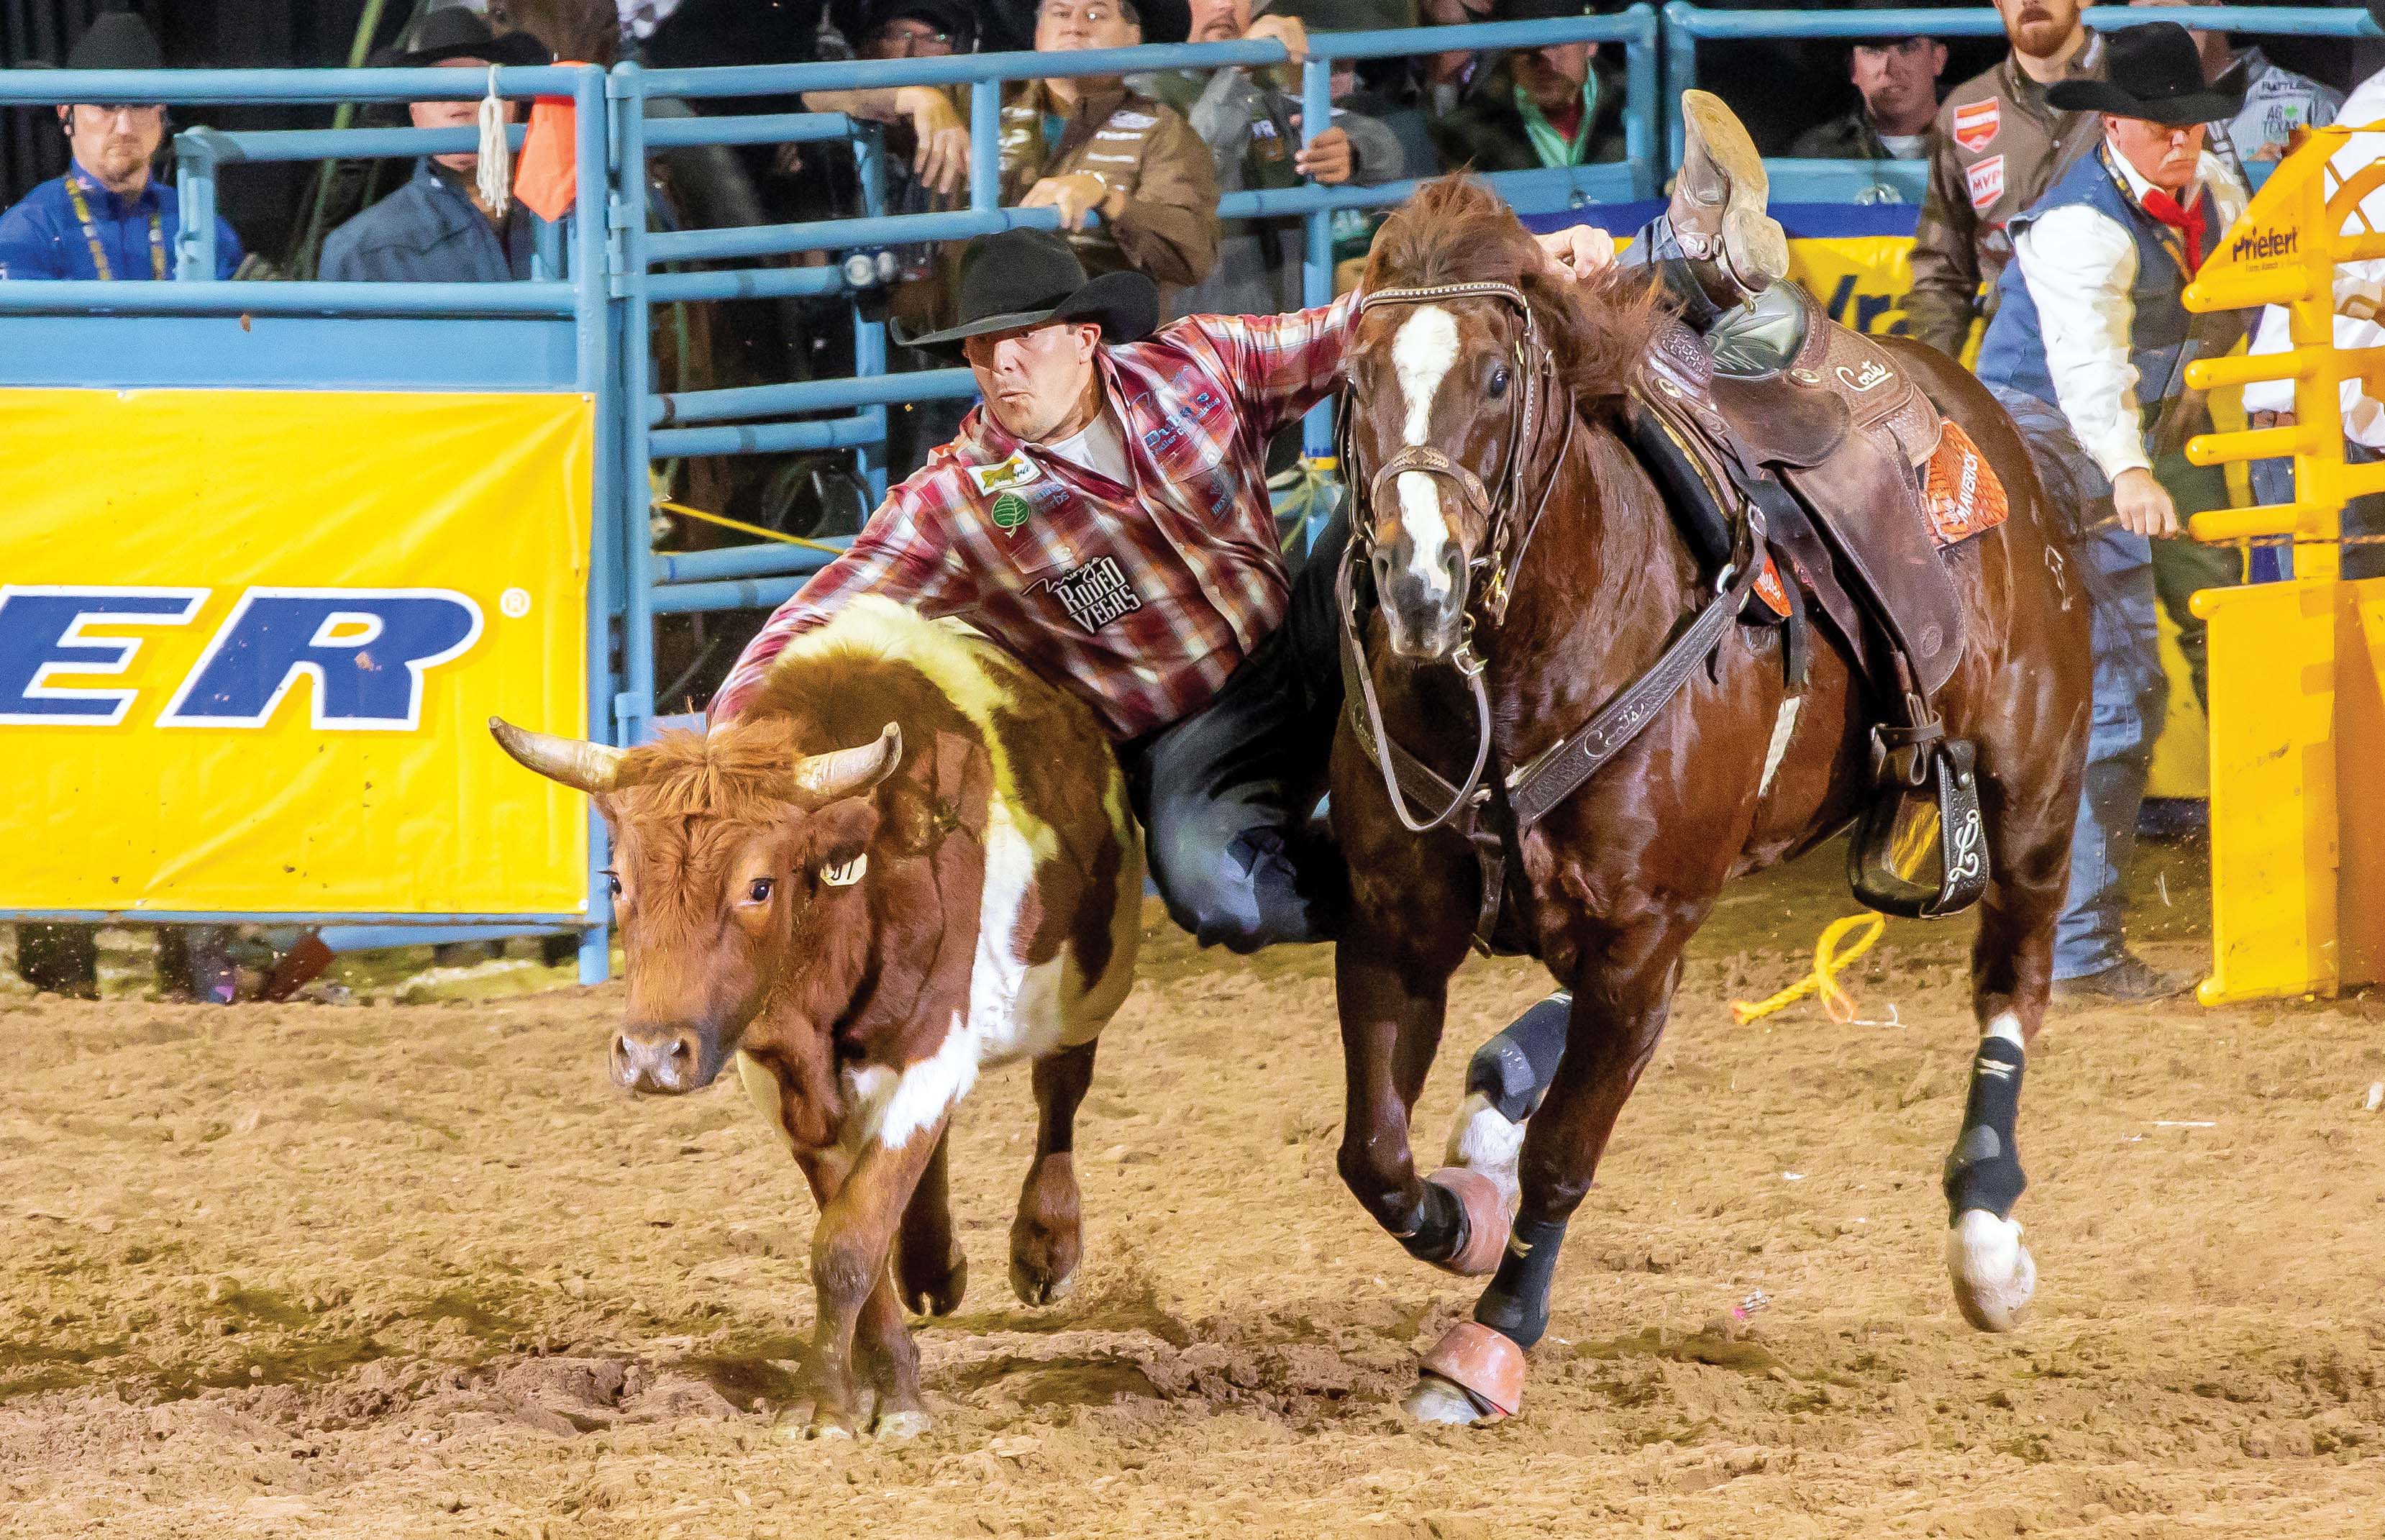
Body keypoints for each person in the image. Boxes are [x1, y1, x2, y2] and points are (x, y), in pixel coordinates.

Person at [703, 98, 1787, 1128]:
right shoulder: (958, 501)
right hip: (1189, 724)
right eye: (983, 349)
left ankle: (1680, 256)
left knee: (1444, 517)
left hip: (1303, 619)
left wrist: (1546, 260)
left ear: (1088, 338)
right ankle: (1423, 896)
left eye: (1023, 338)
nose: (999, 364)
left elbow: (1387, 324)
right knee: (1217, 890)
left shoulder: (1198, 368)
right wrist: (719, 744)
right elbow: (822, 604)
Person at [1971, 21, 2249, 1003]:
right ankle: (2081, 946)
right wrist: (2131, 472)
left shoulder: (2207, 194)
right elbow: (2089, 372)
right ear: (2115, 130)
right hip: (2051, 446)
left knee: (2191, 653)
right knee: (2120, 687)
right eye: (2160, 126)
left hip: (2136, 436)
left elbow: (2256, 281)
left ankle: (2080, 924)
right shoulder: (2083, 224)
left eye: (2191, 125)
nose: (2181, 141)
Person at [1141, 0, 1404, 319]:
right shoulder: (1146, 84)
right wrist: (1239, 69)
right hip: (1200, 320)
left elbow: (1387, 149)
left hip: (1284, 306)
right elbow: (1196, 163)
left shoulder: (1267, 82)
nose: (1227, 5)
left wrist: (1352, 150)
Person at [2241, 0, 2385, 583]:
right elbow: (2341, 278)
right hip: (2317, 424)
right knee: (2321, 646)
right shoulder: (2376, 111)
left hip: (2343, 416)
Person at [1905, 0, 2104, 363]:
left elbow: (2223, 234)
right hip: (2016, 367)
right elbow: (1942, 270)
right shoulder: (1963, 110)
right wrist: (1932, 380)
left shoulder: (2146, 89)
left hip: (2134, 362)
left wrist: (2191, 381)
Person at [996, 0, 1220, 308]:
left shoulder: (1162, 129)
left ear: (1133, 36)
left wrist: (1106, 197)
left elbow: (1192, 254)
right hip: (976, 332)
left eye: (1094, 15)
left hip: (1099, 335)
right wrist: (919, 98)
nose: (1074, 26)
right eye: (1060, 13)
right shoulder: (982, 102)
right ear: (1039, 30)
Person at [0, 8, 245, 282]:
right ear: (65, 111)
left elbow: (250, 321)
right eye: (105, 105)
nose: (125, 127)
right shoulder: (29, 232)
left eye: (140, 104)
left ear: (161, 112)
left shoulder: (201, 225)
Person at [319, 12, 555, 284]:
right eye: (436, 85)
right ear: (415, 113)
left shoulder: (571, 221)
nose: (456, 101)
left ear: (511, 104)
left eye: (478, 79)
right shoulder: (362, 253)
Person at [2128, 0, 2340, 168]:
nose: (2148, 38)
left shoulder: (2312, 106)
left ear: (2215, 8)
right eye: (2132, 25)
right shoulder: (2128, 117)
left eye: (2162, 15)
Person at [1428, 0, 1627, 173]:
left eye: (1557, 41)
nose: (1544, 57)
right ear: (1508, 50)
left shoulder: (1640, 108)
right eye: (1527, 44)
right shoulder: (1465, 134)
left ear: (1591, 42)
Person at [1791, 29, 1949, 162]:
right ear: (1853, 68)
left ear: (1938, 59)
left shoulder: (1970, 142)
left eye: (1907, 49)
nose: (1891, 69)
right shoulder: (1818, 150)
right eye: (1873, 51)